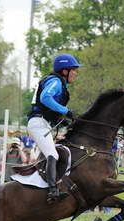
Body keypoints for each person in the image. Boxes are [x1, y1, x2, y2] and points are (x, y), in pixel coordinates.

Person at [26, 53, 80, 203]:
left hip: (42, 123)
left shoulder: (57, 82)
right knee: (53, 155)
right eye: (74, 70)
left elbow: (49, 108)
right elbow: (45, 98)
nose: (76, 73)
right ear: (64, 70)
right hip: (38, 123)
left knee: (54, 153)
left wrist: (65, 120)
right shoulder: (56, 81)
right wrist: (65, 111)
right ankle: (52, 191)